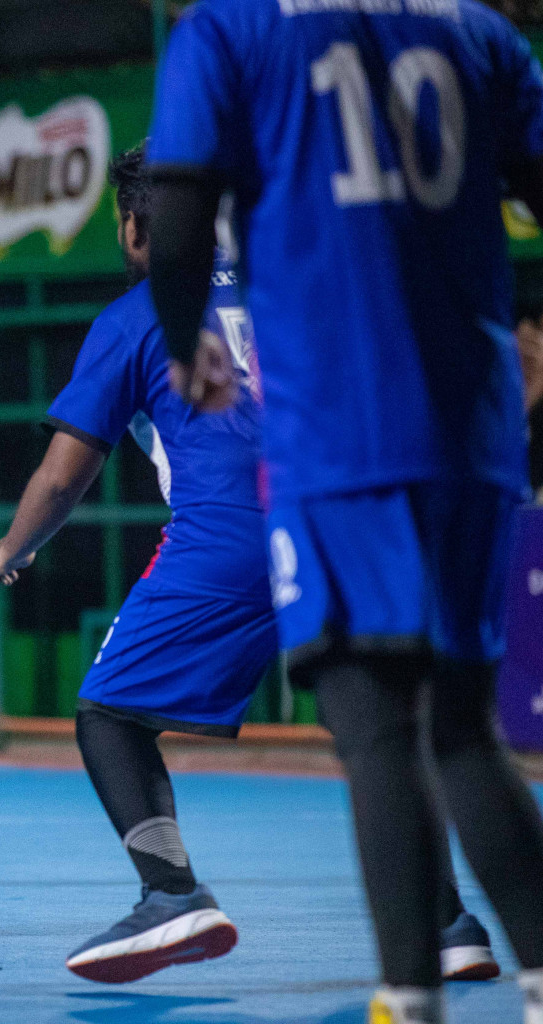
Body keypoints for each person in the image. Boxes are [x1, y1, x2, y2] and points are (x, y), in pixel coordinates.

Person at [0, 145, 498, 985]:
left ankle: (171, 893)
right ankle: (449, 922)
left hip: (234, 534)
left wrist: (13, 548)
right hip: (355, 518)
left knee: (109, 715)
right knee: (374, 731)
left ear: (137, 227)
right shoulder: (305, 288)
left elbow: (66, 469)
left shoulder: (138, 314)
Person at [146, 3, 543, 1021]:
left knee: (375, 723)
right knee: (461, 723)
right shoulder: (481, 33)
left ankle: (409, 1000)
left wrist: (187, 332)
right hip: (475, 421)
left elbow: (179, 199)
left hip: (339, 423)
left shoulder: (227, 32)